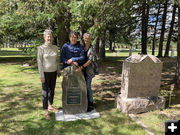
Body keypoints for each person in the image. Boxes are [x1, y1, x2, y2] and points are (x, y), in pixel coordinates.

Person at [37, 29, 61, 120]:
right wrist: (41, 75)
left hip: (54, 72)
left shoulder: (55, 48)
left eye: (50, 36)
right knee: (45, 92)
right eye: (48, 36)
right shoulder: (41, 48)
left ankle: (50, 105)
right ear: (44, 37)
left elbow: (57, 60)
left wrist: (58, 70)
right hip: (45, 74)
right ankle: (46, 111)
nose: (49, 38)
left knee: (52, 90)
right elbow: (39, 62)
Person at [76, 33, 97, 112]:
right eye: (85, 38)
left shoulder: (92, 48)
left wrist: (82, 67)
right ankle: (84, 102)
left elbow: (90, 60)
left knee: (88, 86)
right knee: (82, 86)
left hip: (89, 70)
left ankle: (91, 103)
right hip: (82, 70)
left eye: (88, 38)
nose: (86, 40)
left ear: (90, 39)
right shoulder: (81, 47)